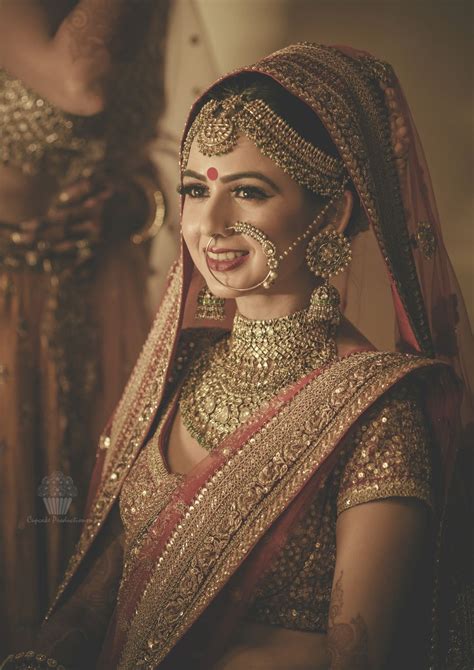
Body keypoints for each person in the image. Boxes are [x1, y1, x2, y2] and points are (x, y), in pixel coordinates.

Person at [3, 42, 472, 670]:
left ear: (333, 211)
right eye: (195, 190)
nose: (208, 223)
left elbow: (357, 654)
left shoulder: (377, 412)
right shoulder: (183, 369)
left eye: (248, 192)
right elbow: (101, 592)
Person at [0, 0, 169, 653]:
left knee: (98, 520)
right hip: (9, 296)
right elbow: (80, 79)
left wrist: (132, 202)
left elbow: (147, 146)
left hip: (103, 293)